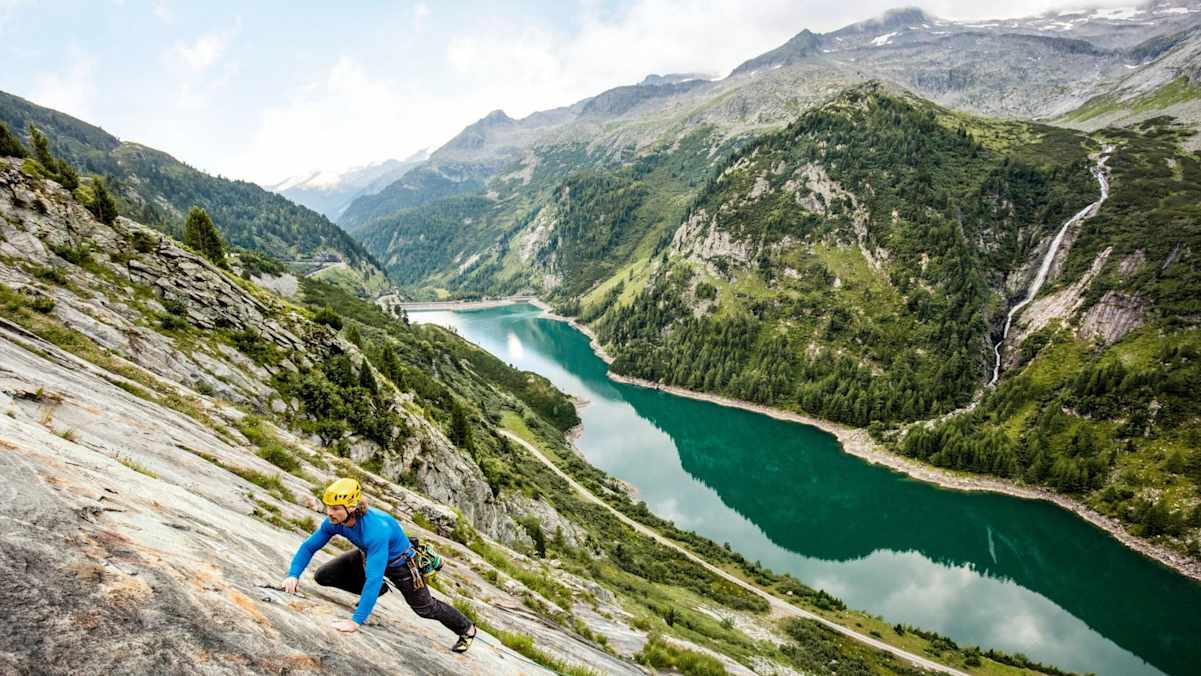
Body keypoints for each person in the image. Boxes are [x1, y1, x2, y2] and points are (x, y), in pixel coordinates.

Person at [282, 477, 477, 652]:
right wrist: (293, 575)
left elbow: (373, 578)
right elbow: (309, 547)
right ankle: (379, 591)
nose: (329, 513)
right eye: (328, 507)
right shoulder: (334, 522)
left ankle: (467, 629)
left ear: (351, 507)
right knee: (323, 576)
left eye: (335, 508)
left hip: (401, 565)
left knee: (425, 608)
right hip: (369, 554)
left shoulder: (375, 530)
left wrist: (355, 621)